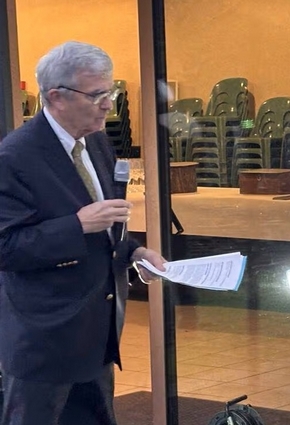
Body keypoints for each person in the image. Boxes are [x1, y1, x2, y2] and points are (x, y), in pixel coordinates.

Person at [0, 41, 166, 425]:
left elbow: (104, 224)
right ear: (56, 96)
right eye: (97, 95)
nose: (108, 105)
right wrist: (76, 225)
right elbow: (6, 247)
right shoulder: (15, 157)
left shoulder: (96, 142)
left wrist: (134, 253)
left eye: (111, 92)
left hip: (95, 334)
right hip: (44, 342)